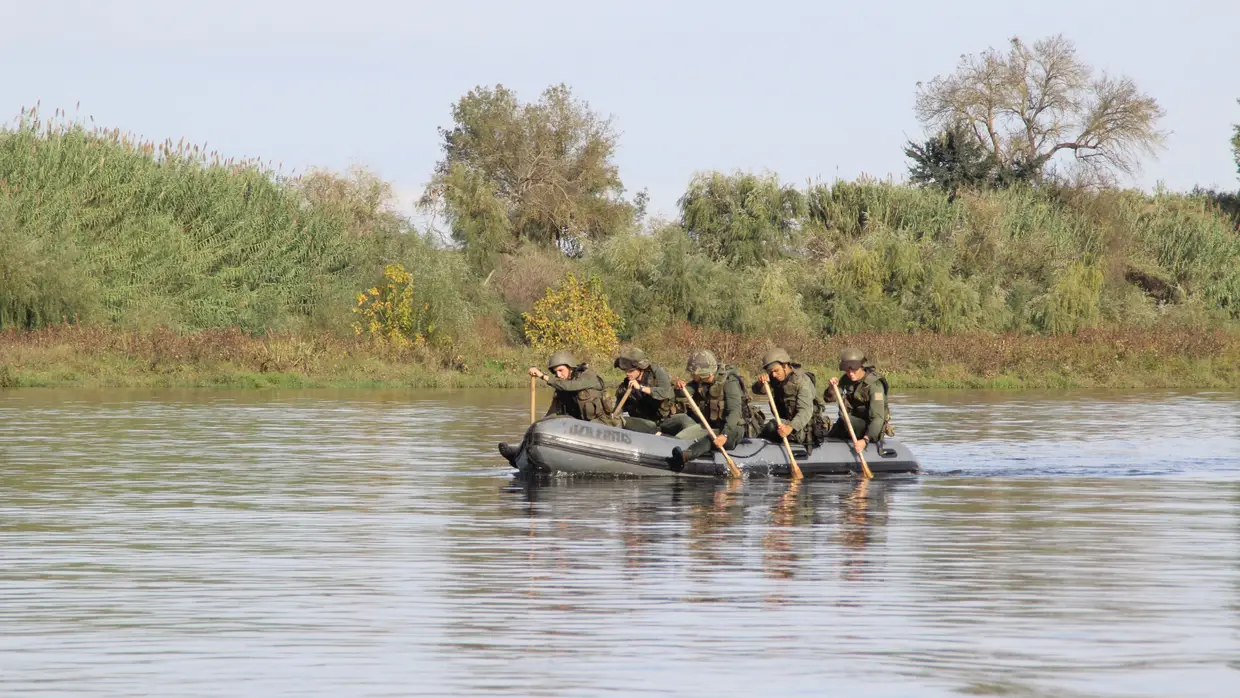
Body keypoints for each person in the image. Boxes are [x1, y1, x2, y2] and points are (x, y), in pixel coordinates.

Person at [498, 351, 616, 465]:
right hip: (579, 428)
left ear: (570, 367)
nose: (559, 375)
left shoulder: (588, 376)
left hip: (602, 425)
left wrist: (544, 376)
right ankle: (519, 452)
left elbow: (571, 386)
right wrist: (537, 429)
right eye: (556, 372)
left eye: (561, 370)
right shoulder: (562, 390)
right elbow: (552, 414)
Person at [658, 349, 748, 467]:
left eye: (693, 373)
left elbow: (735, 412)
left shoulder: (730, 382)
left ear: (704, 373)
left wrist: (724, 435)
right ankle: (663, 438)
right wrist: (679, 388)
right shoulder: (700, 382)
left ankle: (686, 456)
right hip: (710, 426)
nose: (691, 376)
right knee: (681, 436)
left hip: (732, 429)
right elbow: (682, 393)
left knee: (711, 438)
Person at [752, 347, 823, 448]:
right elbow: (757, 391)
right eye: (771, 372)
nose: (774, 375)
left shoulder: (802, 381)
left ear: (785, 365)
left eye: (776, 371)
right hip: (784, 422)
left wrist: (790, 427)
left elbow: (805, 411)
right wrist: (760, 383)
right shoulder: (774, 377)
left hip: (801, 427)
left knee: (771, 425)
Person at [824, 347, 889, 455]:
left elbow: (878, 418)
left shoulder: (874, 385)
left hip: (868, 427)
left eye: (853, 369)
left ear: (861, 367)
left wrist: (865, 440)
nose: (850, 373)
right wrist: (832, 388)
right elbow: (829, 399)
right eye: (847, 370)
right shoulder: (846, 379)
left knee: (845, 418)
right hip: (849, 423)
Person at [612, 347, 676, 434]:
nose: (627, 373)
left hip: (663, 421)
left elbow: (666, 392)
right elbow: (617, 410)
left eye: (631, 371)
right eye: (625, 371)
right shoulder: (625, 386)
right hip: (642, 423)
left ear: (641, 368)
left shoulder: (657, 373)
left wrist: (641, 388)